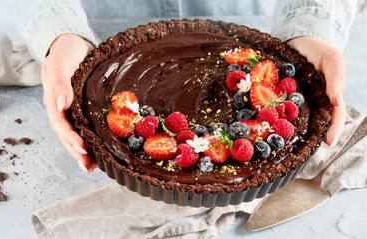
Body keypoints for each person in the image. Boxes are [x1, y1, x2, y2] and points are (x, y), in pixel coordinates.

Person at [18, 0, 357, 172]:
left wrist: (310, 24)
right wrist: (60, 32)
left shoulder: (268, 78)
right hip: (100, 38)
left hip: (259, 30)